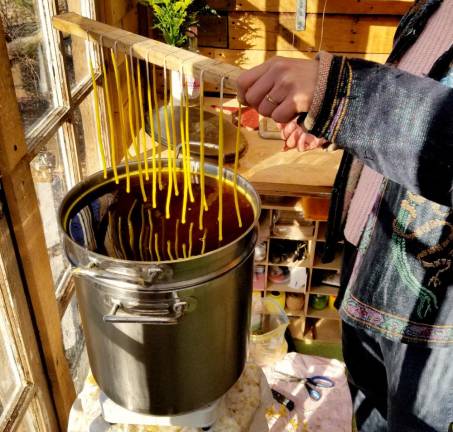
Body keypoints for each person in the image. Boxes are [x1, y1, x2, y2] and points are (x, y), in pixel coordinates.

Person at [237, 1, 453, 431]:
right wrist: (338, 125)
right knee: (369, 415)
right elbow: (419, 88)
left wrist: (340, 94)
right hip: (371, 271)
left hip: (435, 327)